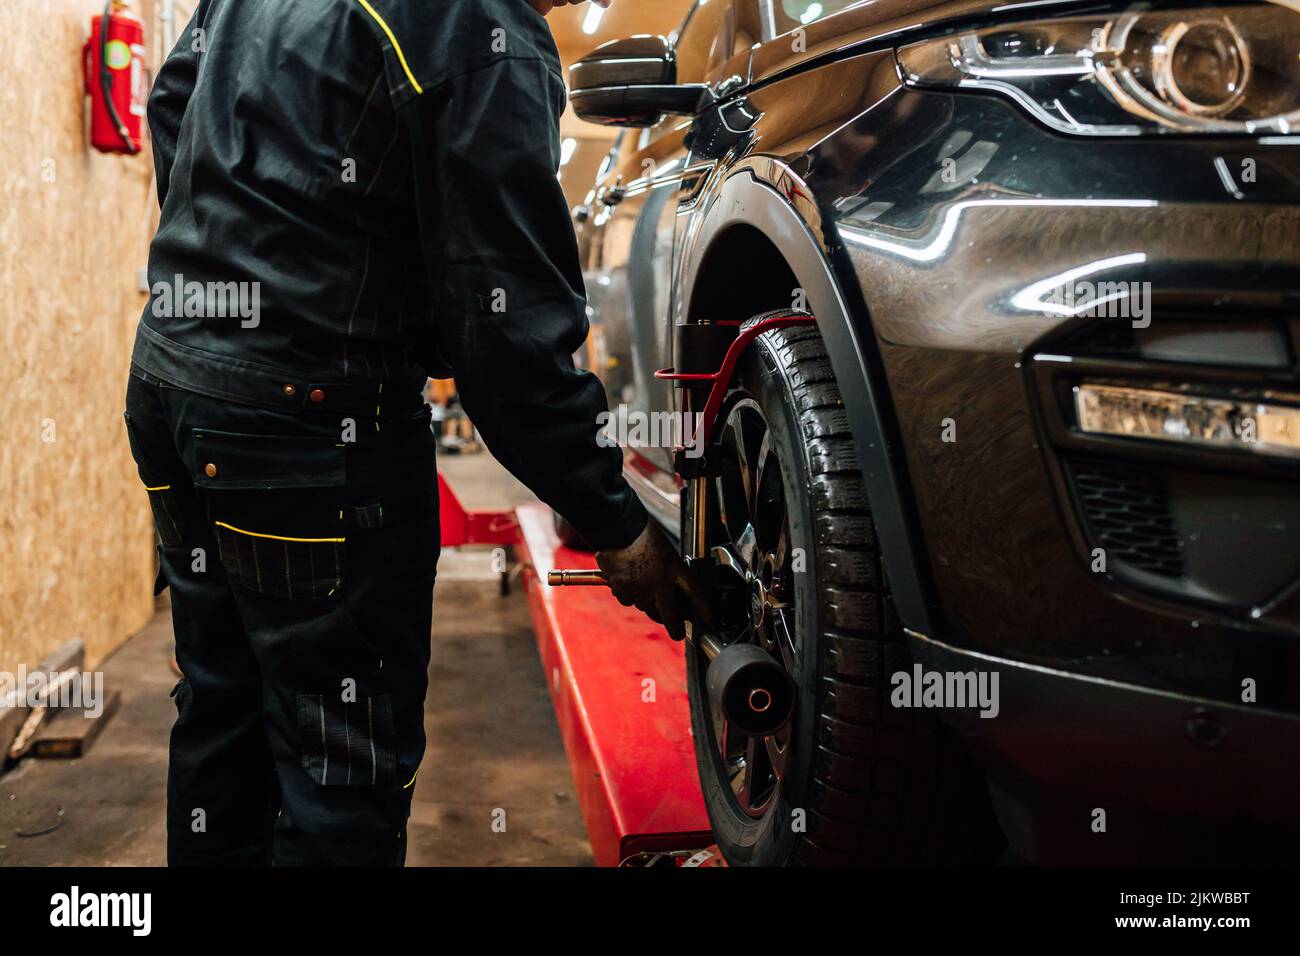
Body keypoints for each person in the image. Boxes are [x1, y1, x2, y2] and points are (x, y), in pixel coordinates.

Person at [123, 0, 695, 866]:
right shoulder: (483, 28)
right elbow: (509, 339)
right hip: (309, 425)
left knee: (222, 710)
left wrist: (235, 260)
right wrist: (611, 515)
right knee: (342, 763)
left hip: (173, 383)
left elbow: (172, 97)